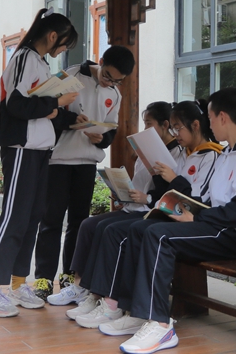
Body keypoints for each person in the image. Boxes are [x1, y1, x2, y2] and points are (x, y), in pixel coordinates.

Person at [116, 88, 236, 353]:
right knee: (142, 228)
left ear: (222, 117)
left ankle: (160, 325)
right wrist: (183, 208)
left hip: (235, 233)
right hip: (215, 223)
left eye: (210, 118)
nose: (208, 124)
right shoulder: (227, 153)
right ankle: (137, 312)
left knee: (160, 236)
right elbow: (207, 198)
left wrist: (196, 216)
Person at [68, 99, 224, 333]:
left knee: (123, 232)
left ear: (195, 125)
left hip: (186, 219)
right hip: (166, 212)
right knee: (102, 227)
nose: (176, 134)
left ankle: (119, 304)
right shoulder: (190, 153)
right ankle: (104, 297)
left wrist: (168, 184)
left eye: (178, 128)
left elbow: (195, 199)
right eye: (173, 128)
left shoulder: (210, 155)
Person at [0, 9, 81, 318]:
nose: (63, 50)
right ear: (53, 36)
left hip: (39, 150)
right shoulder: (23, 57)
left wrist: (70, 118)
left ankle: (18, 283)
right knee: (14, 217)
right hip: (21, 149)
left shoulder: (40, 62)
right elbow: (17, 104)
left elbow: (40, 109)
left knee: (32, 216)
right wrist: (55, 103)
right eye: (64, 44)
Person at [43, 101, 185, 307]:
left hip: (150, 210)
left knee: (106, 229)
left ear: (165, 125)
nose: (145, 128)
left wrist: (147, 198)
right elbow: (140, 182)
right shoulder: (145, 150)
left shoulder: (177, 154)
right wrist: (124, 195)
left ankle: (99, 293)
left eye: (149, 123)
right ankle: (79, 286)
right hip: (134, 206)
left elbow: (171, 191)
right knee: (87, 225)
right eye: (144, 123)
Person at [34, 45, 137, 300]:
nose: (110, 82)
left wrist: (101, 139)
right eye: (108, 75)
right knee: (51, 220)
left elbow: (111, 130)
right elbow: (44, 109)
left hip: (87, 162)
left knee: (79, 222)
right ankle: (43, 278)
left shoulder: (115, 94)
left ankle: (69, 275)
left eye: (117, 80)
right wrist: (70, 121)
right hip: (58, 160)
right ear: (100, 61)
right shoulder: (70, 75)